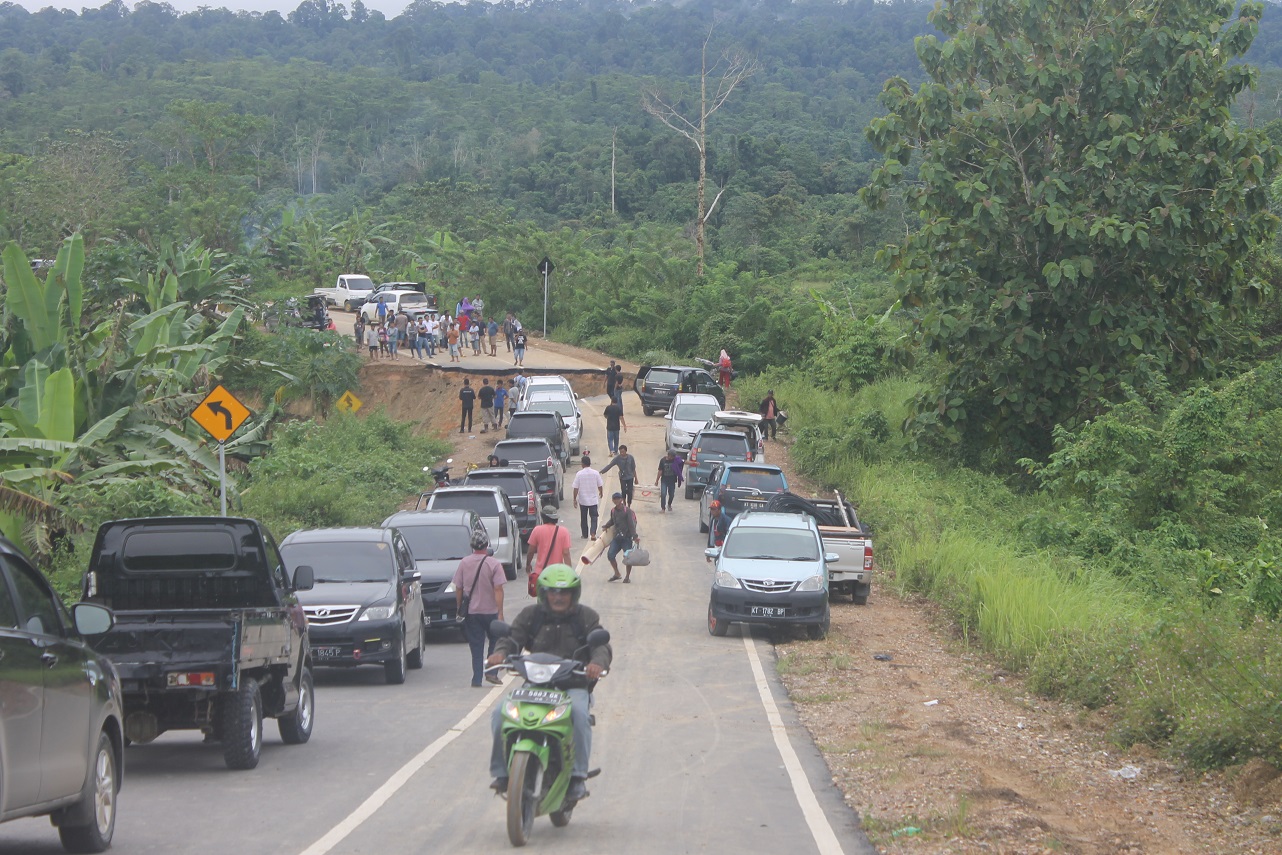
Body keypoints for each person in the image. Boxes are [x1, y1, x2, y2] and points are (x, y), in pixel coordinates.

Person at [486, 565, 611, 799]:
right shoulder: (530, 616)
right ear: (544, 593)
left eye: (564, 592)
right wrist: (500, 653)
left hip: (573, 686)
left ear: (574, 594)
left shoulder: (586, 617)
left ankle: (577, 777)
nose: (558, 597)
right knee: (499, 714)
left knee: (580, 716)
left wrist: (597, 663)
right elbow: (512, 638)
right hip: (535, 686)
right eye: (552, 591)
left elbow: (601, 646)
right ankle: (502, 773)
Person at [453, 528, 507, 687]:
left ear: (472, 545)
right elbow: (498, 589)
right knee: (496, 641)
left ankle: (476, 679)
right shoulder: (494, 564)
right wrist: (501, 613)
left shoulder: (464, 563)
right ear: (486, 544)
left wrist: (459, 607)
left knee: (476, 646)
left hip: (472, 612)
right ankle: (491, 672)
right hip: (490, 611)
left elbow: (459, 588)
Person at [524, 504, 572, 594]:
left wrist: (528, 564)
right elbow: (566, 553)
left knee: (542, 600)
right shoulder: (564, 531)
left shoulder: (537, 530)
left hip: (541, 573)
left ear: (543, 517)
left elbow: (531, 551)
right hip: (557, 574)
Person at [601, 492, 639, 582]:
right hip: (617, 538)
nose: (616, 500)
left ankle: (627, 577)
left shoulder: (627, 511)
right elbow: (612, 521)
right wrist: (606, 525)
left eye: (618, 499)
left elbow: (631, 524)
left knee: (628, 558)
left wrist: (635, 536)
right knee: (610, 555)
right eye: (615, 499)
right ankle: (617, 573)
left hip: (626, 538)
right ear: (613, 500)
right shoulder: (613, 511)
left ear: (621, 500)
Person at [572, 455, 605, 540]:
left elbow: (576, 488)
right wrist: (601, 492)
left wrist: (574, 499)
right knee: (594, 517)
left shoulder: (579, 474)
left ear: (582, 464)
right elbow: (600, 485)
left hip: (583, 500)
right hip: (593, 500)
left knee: (583, 518)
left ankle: (585, 534)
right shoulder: (595, 473)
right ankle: (593, 533)